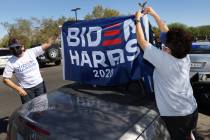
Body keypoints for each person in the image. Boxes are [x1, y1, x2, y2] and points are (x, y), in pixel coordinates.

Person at [135, 7, 198, 140]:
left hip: (176, 115)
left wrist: (137, 20)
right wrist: (153, 13)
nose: (162, 45)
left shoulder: (164, 61)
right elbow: (167, 31)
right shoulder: (184, 56)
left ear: (169, 50)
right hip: (191, 108)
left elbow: (142, 41)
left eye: (165, 45)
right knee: (189, 135)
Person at [2, 37, 53, 104]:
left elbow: (47, 44)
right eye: (12, 48)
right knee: (29, 111)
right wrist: (18, 89)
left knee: (42, 108)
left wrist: (52, 38)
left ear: (22, 47)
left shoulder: (31, 52)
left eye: (17, 47)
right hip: (26, 90)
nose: (15, 50)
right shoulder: (10, 62)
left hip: (39, 85)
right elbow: (5, 79)